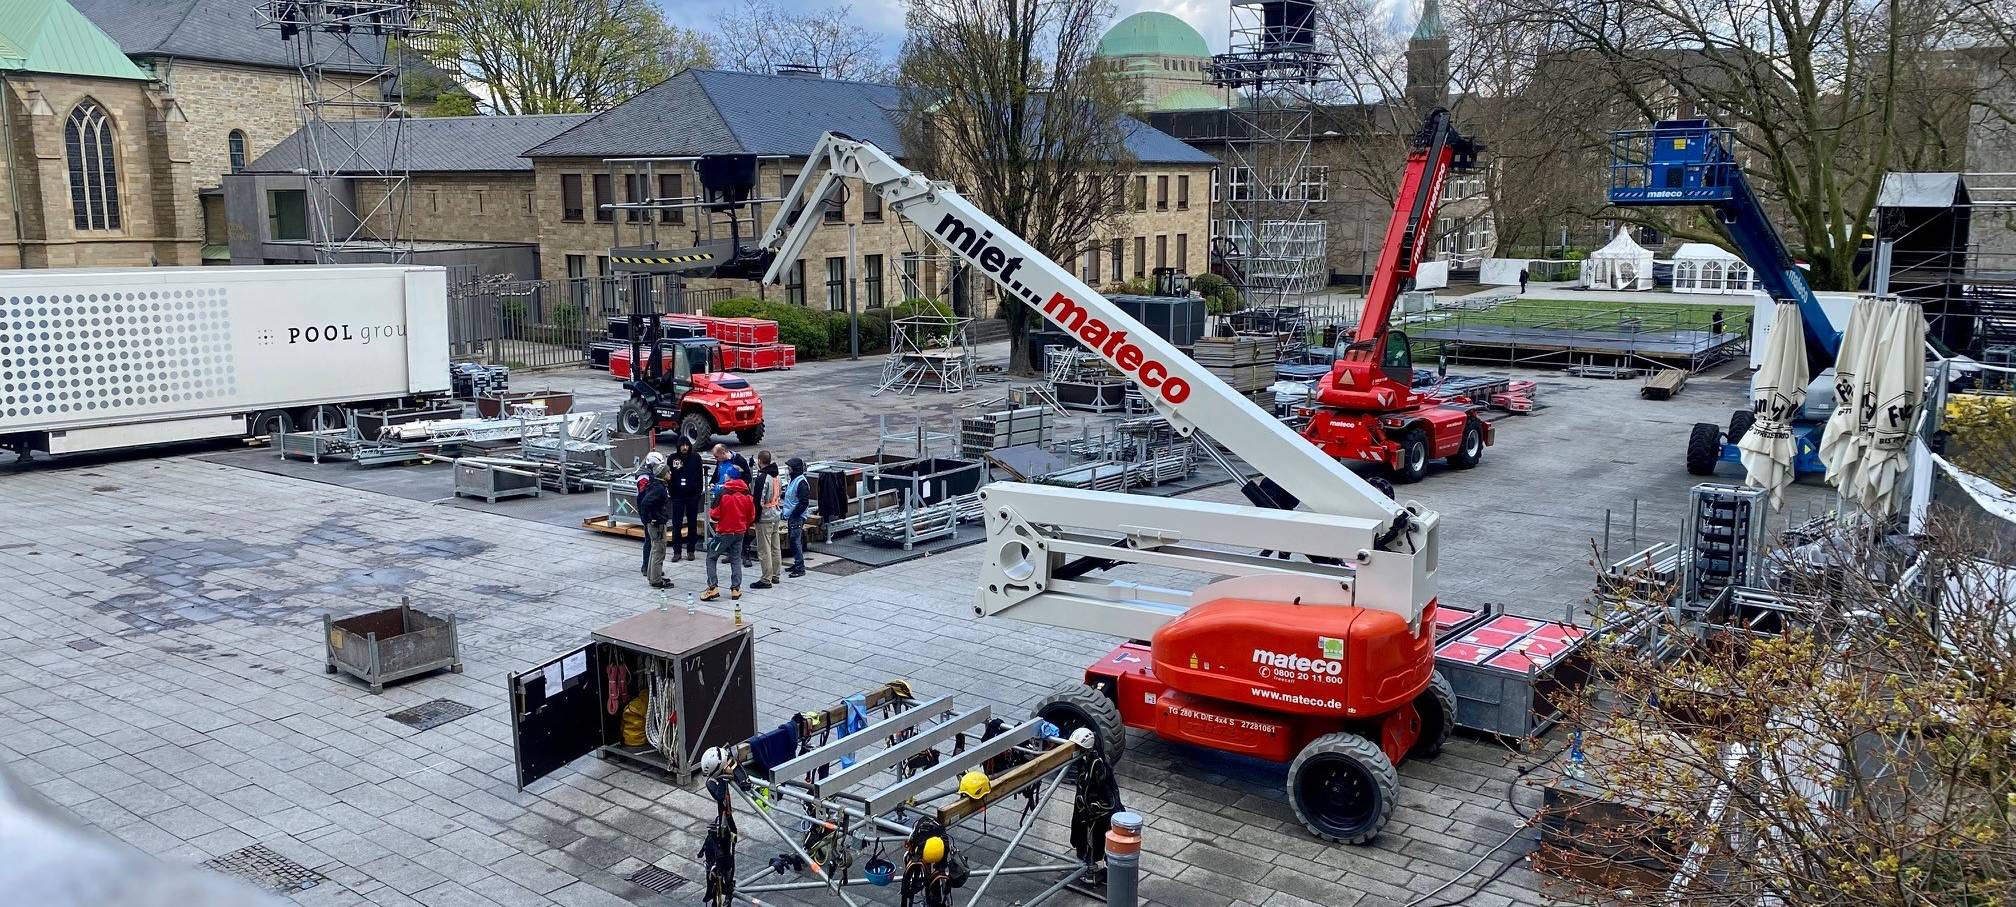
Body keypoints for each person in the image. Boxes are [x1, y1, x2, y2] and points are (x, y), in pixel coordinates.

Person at [703, 476, 754, 601]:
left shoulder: (723, 494)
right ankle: (736, 589)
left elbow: (715, 515)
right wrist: (743, 525)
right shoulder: (748, 495)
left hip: (724, 533)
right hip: (740, 532)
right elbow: (751, 516)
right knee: (736, 558)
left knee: (711, 556)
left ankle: (712, 587)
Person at [637, 453, 674, 588]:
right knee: (659, 550)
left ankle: (652, 575)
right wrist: (651, 519)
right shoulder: (658, 489)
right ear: (662, 474)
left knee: (654, 549)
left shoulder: (655, 485)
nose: (670, 473)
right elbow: (645, 503)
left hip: (654, 523)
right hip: (657, 524)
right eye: (668, 472)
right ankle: (656, 579)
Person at [750, 451, 783, 589]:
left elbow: (758, 500)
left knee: (764, 549)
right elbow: (779, 493)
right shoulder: (777, 475)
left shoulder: (762, 477)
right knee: (775, 547)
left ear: (759, 461)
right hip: (775, 513)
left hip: (765, 517)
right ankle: (775, 574)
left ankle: (766, 578)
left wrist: (754, 518)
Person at [668, 438, 704, 561]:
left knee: (692, 523)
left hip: (692, 496)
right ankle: (677, 551)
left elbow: (700, 476)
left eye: (686, 445)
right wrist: (672, 493)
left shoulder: (696, 458)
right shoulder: (672, 458)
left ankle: (691, 550)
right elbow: (669, 477)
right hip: (677, 496)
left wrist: (698, 493)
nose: (684, 447)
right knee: (676, 524)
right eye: (682, 445)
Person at [783, 457, 811, 577]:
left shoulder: (801, 482)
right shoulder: (793, 480)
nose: (788, 469)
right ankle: (797, 563)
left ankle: (800, 568)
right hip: (792, 515)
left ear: (794, 469)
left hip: (796, 516)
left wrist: (794, 514)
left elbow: (804, 502)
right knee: (793, 541)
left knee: (795, 541)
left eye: (789, 467)